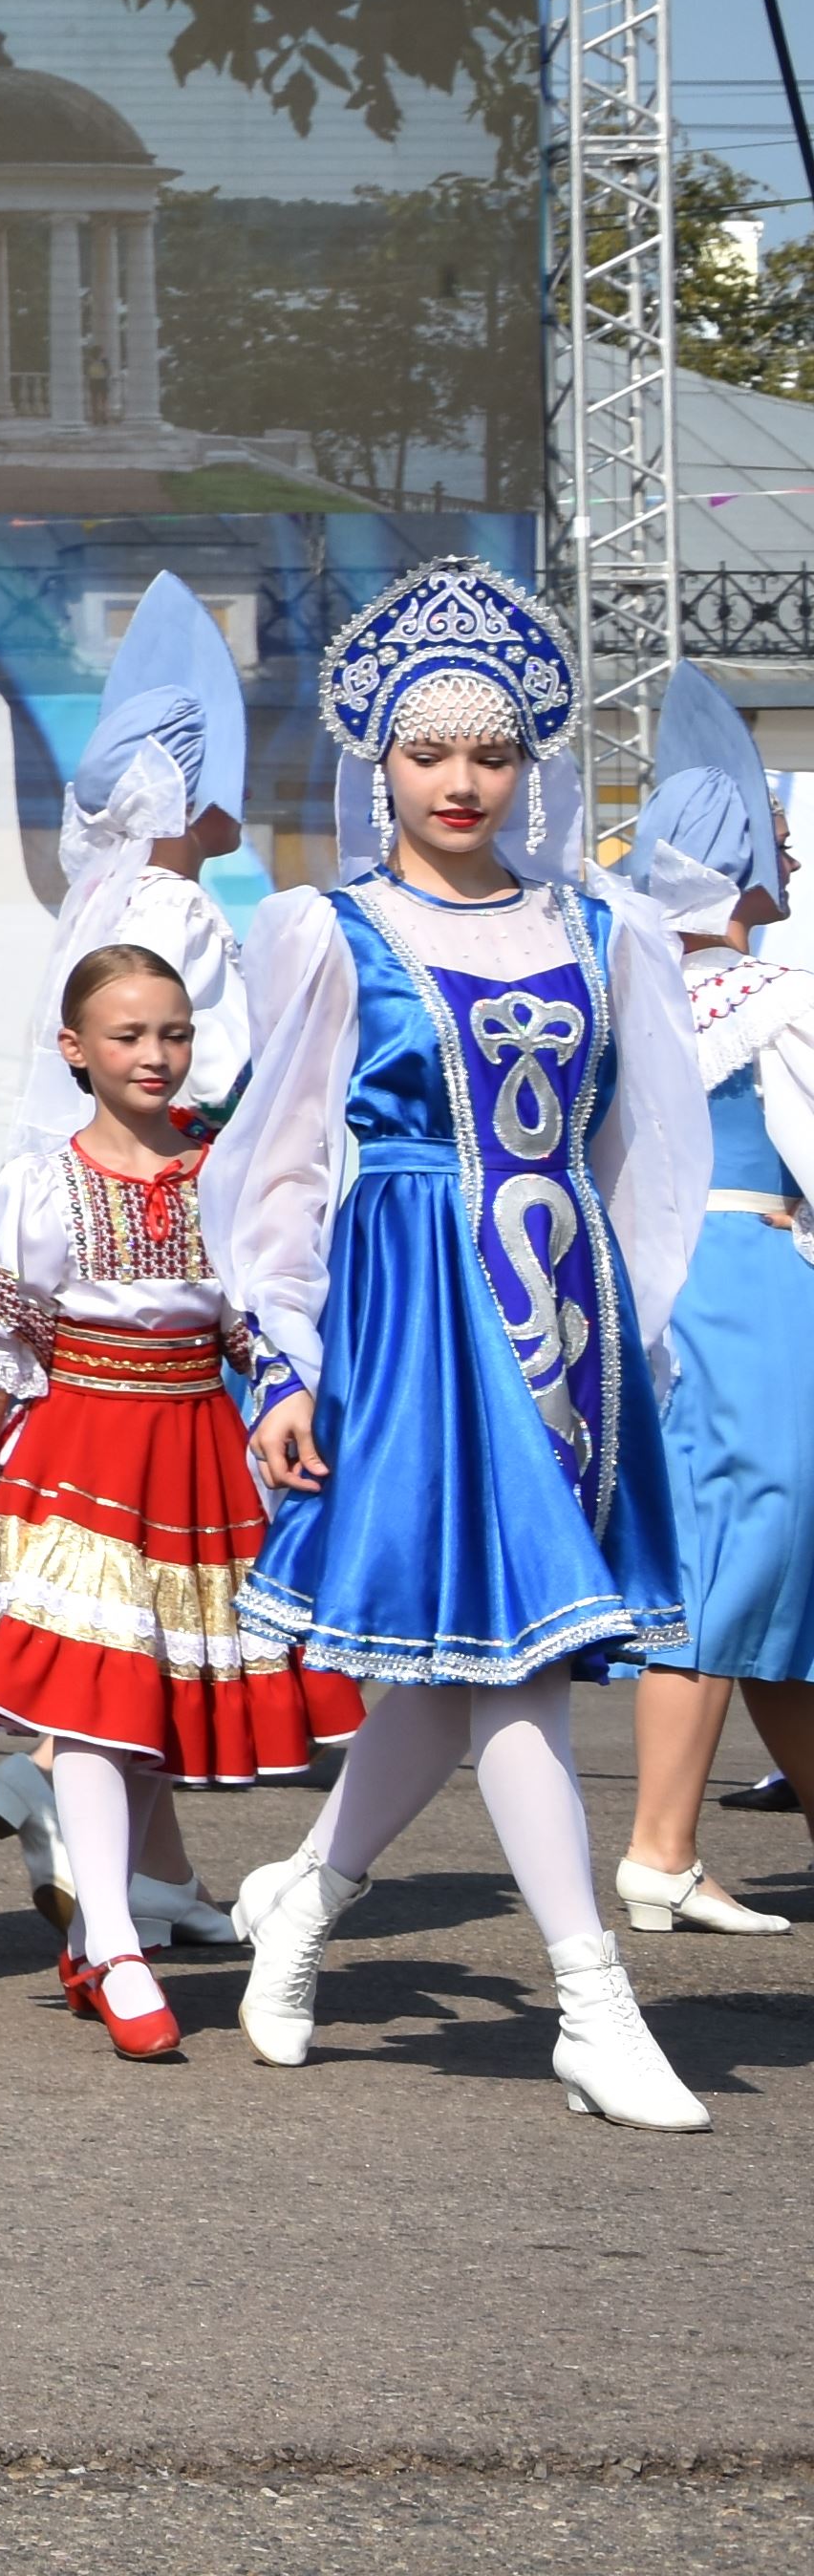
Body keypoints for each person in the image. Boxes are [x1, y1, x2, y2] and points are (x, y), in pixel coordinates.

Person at [214, 557, 711, 2128]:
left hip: (567, 1320)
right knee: (525, 1672)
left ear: (528, 766)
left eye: (489, 753)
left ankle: (306, 1895)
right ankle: (591, 1997)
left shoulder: (599, 925)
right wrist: (284, 1359)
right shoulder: (327, 931)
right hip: (419, 1311)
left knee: (463, 1663)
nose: (460, 781)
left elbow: (645, 1150)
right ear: (382, 766)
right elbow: (275, 1161)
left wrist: (641, 1333)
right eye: (429, 753)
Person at [0, 941, 350, 2062]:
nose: (155, 1054)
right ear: (75, 1049)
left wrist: (280, 1395)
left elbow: (260, 1317)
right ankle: (112, 1938)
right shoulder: (41, 1179)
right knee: (104, 1704)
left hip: (203, 1451)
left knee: (154, 1705)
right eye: (127, 1035)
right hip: (76, 1452)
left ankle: (107, 1926)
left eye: (174, 1033)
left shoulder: (228, 1166)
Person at [0, 570, 261, 1937]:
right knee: (139, 1584)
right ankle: (58, 1786)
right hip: (137, 1261)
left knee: (124, 1589)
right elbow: (229, 1090)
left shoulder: (101, 900)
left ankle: (161, 1871)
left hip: (66, 1253)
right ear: (195, 798)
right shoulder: (182, 918)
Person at [610, 667, 814, 1941]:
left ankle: (666, 1844)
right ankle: (662, 1843)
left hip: (666, 1285)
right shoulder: (768, 998)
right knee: (754, 1543)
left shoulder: (628, 995)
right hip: (753, 1280)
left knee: (763, 1558)